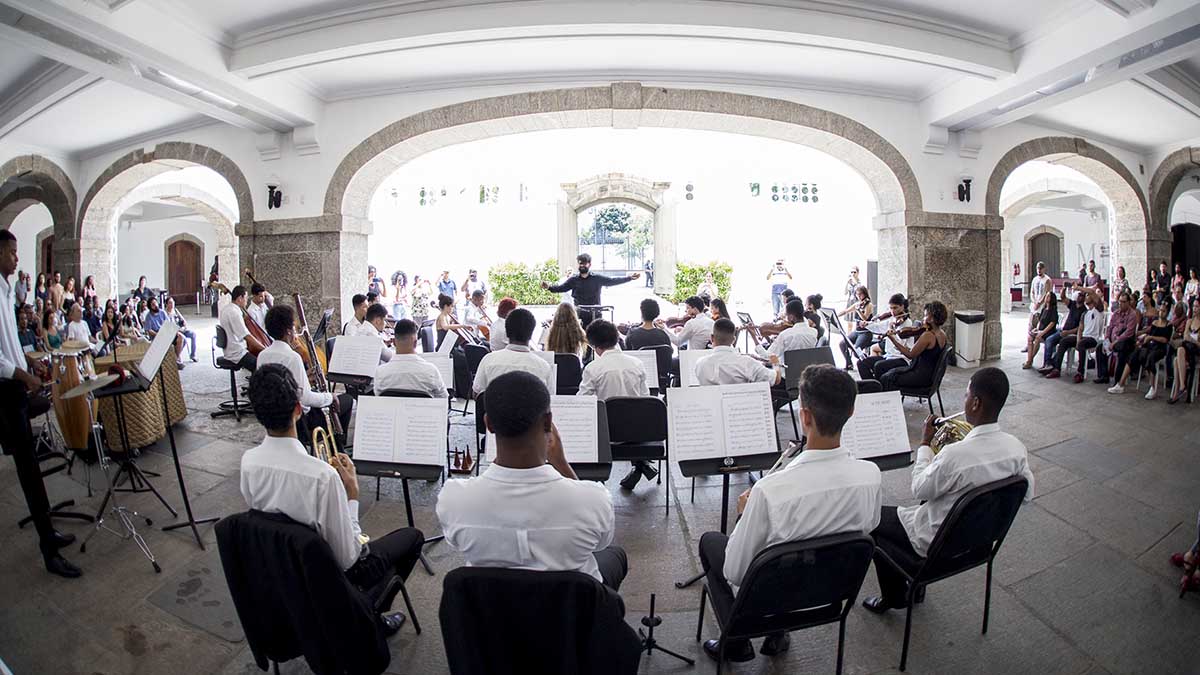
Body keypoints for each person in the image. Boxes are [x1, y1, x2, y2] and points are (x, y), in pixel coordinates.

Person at [699, 365, 882, 663]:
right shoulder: (871, 475)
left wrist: (746, 515)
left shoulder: (770, 491)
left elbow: (734, 570)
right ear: (851, 413)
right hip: (829, 594)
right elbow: (870, 525)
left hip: (769, 594)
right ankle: (778, 634)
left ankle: (735, 640)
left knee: (711, 543)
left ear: (805, 416)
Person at [241, 365, 423, 634]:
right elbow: (349, 557)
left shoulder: (248, 463)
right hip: (329, 577)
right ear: (298, 409)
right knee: (412, 537)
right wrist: (351, 496)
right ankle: (368, 615)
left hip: (283, 571)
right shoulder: (322, 476)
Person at [862, 367, 1034, 615]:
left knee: (873, 519)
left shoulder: (955, 455)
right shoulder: (1016, 448)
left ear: (975, 403)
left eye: (966, 395)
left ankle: (894, 597)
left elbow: (919, 488)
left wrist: (925, 445)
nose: (964, 401)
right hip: (980, 543)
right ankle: (916, 588)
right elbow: (1026, 494)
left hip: (935, 544)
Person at [436, 371, 628, 590]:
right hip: (571, 613)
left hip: (490, 614)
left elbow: (455, 541)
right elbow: (600, 544)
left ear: (488, 424)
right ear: (548, 422)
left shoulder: (453, 498)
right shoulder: (593, 499)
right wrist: (562, 464)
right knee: (615, 555)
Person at [0, 231, 81, 578]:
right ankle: (48, 550)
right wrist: (22, 374)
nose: (18, 259)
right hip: (3, 393)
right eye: (13, 252)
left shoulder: (5, 290)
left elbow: (7, 343)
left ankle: (49, 534)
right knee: (28, 470)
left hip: (13, 384)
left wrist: (29, 362)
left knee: (29, 465)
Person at [578, 319, 655, 490]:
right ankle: (641, 463)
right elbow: (645, 397)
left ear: (593, 346)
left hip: (607, 434)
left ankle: (594, 478)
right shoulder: (637, 363)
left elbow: (583, 401)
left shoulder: (593, 368)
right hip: (637, 431)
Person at [259, 305, 353, 436]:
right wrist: (330, 397)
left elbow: (281, 386)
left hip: (275, 415)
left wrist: (306, 378)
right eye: (294, 327)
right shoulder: (292, 357)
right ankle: (336, 444)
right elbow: (306, 398)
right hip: (300, 420)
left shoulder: (263, 355)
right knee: (347, 400)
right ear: (288, 331)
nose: (296, 331)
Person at [541, 253, 640, 326]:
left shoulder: (597, 278)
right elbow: (561, 288)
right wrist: (549, 287)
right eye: (580, 264)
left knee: (596, 339)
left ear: (590, 264)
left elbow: (612, 281)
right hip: (579, 314)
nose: (582, 266)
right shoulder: (573, 279)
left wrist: (629, 278)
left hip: (596, 314)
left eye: (584, 264)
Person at [472, 309, 552, 394]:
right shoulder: (543, 367)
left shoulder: (488, 360)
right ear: (531, 333)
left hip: (495, 407)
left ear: (506, 332)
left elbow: (477, 394)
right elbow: (550, 400)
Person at [878, 301, 948, 391]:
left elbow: (910, 355)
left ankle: (890, 403)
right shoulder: (942, 333)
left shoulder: (928, 336)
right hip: (930, 376)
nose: (923, 318)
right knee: (889, 373)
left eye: (925, 315)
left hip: (921, 377)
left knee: (886, 378)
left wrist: (893, 339)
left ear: (932, 319)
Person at [1108, 303, 1174, 398]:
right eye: (1160, 310)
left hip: (1160, 348)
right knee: (1135, 354)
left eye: (1163, 311)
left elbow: (1165, 340)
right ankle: (1120, 384)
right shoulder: (1155, 323)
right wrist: (1142, 337)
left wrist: (1152, 337)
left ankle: (1152, 387)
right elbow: (1148, 331)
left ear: (1167, 313)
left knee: (1151, 357)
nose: (1161, 313)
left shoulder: (1168, 325)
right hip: (1150, 345)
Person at [373, 319, 449, 398]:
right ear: (415, 343)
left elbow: (378, 398)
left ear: (394, 342)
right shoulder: (431, 371)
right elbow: (443, 399)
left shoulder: (380, 372)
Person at [697, 318, 782, 387]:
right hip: (739, 406)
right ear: (733, 340)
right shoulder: (747, 363)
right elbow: (776, 380)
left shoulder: (700, 363)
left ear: (712, 338)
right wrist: (776, 364)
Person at [1042, 291, 1102, 382]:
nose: (1086, 296)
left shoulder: (1098, 310)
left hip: (1092, 338)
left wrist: (1078, 288)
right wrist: (1078, 339)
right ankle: (1056, 369)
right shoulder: (1085, 314)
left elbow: (1092, 292)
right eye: (1085, 295)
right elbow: (1080, 329)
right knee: (1064, 341)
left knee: (1081, 344)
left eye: (1087, 295)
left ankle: (1080, 373)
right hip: (1083, 337)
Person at [857, 293, 914, 381]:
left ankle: (880, 389)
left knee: (878, 366)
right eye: (891, 308)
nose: (892, 311)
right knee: (861, 363)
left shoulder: (907, 324)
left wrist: (891, 332)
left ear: (902, 306)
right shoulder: (893, 319)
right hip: (889, 356)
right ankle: (872, 387)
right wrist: (866, 324)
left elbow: (899, 346)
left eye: (895, 308)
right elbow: (879, 327)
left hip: (901, 358)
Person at [1094, 291, 1138, 386]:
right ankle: (1103, 375)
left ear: (1128, 302)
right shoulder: (1116, 313)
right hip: (1112, 340)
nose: (1120, 304)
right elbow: (1110, 327)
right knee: (1100, 348)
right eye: (1119, 302)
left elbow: (1128, 333)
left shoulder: (1132, 315)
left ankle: (1118, 380)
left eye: (1123, 302)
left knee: (1122, 350)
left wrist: (1114, 342)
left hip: (1125, 342)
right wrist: (1107, 339)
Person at [218, 285, 263, 372]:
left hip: (230, 350)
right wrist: (263, 349)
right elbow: (246, 335)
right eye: (245, 298)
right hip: (237, 353)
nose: (246, 301)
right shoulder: (234, 312)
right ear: (240, 298)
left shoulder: (227, 309)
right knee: (261, 366)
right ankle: (255, 385)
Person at [1169, 297, 1200, 404]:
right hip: (1187, 349)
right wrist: (1191, 339)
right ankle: (1182, 387)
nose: (1194, 309)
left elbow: (1191, 339)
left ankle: (1178, 390)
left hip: (1196, 353)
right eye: (1194, 306)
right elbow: (1186, 336)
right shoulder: (1189, 321)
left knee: (1178, 357)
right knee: (1178, 355)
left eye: (1197, 306)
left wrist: (1193, 341)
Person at [837, 285, 874, 369]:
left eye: (860, 294)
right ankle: (849, 363)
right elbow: (846, 311)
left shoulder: (869, 305)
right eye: (857, 294)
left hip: (866, 332)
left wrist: (858, 310)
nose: (859, 296)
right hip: (857, 331)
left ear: (865, 294)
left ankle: (869, 362)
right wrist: (836, 315)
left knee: (857, 351)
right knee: (842, 343)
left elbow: (865, 318)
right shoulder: (857, 304)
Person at [143, 296, 186, 367]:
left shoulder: (162, 312)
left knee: (180, 337)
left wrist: (174, 332)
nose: (155, 306)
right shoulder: (148, 316)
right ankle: (173, 361)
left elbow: (168, 323)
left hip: (166, 333)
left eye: (156, 303)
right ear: (150, 307)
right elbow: (149, 330)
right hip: (157, 336)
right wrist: (158, 334)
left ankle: (176, 358)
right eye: (153, 305)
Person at [1022, 289, 1058, 369]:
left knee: (1038, 338)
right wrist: (1037, 329)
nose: (1046, 297)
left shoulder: (1053, 310)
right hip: (1040, 330)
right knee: (1030, 338)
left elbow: (1052, 324)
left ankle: (1030, 361)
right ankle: (1029, 359)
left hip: (1048, 332)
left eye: (1048, 296)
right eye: (1046, 296)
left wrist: (1042, 332)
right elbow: (1040, 321)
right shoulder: (1044, 309)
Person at [1025, 262, 1050, 352]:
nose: (1039, 270)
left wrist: (1039, 302)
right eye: (1038, 268)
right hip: (1034, 306)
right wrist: (1034, 301)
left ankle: (1036, 344)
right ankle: (1028, 344)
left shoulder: (1047, 280)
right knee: (1030, 326)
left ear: (1044, 269)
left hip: (1041, 307)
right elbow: (1032, 292)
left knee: (1038, 327)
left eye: (1041, 268)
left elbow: (1047, 293)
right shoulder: (1035, 279)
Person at [164, 297, 197, 362]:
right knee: (183, 339)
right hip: (175, 331)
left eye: (173, 302)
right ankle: (177, 355)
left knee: (193, 335)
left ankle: (193, 355)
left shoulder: (175, 310)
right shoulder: (165, 314)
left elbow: (183, 320)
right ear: (167, 304)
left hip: (181, 329)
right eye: (170, 303)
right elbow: (169, 326)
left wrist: (184, 324)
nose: (172, 304)